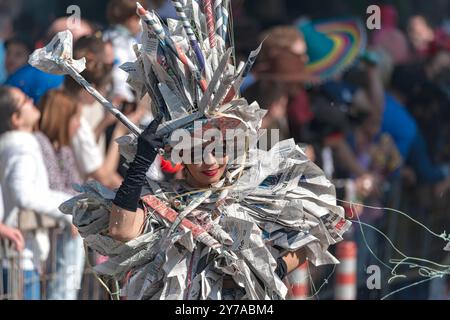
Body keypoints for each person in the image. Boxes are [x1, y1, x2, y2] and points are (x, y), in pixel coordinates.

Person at [58, 1, 351, 300]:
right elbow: (121, 230)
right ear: (181, 154)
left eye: (219, 149)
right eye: (197, 152)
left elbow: (316, 227)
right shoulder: (165, 204)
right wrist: (142, 159)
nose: (210, 161)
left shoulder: (256, 190)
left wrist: (275, 266)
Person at [0, 86, 72, 300]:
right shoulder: (22, 145)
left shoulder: (10, 145)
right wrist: (68, 209)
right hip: (19, 256)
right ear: (16, 119)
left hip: (17, 254)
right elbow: (24, 194)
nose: (32, 100)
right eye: (25, 101)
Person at [36, 89, 85, 300]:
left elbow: (76, 186)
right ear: (61, 117)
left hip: (64, 233)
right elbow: (54, 187)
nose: (79, 124)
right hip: (46, 236)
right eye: (75, 118)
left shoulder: (64, 148)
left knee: (69, 287)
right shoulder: (40, 144)